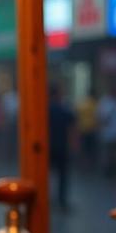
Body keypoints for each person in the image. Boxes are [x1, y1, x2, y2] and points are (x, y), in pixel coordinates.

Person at [48, 83, 76, 211]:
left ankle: (49, 199)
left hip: (48, 147)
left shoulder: (45, 109)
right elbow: (72, 126)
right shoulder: (63, 108)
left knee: (49, 175)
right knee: (62, 176)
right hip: (61, 146)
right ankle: (61, 200)